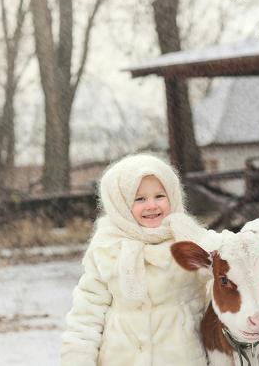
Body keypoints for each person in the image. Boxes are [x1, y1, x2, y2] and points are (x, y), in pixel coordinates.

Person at [60, 153, 210, 366]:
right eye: (140, 199)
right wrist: (78, 359)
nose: (152, 205)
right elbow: (87, 312)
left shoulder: (192, 240)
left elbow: (229, 277)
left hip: (182, 357)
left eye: (159, 196)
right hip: (120, 359)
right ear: (120, 203)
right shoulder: (107, 248)